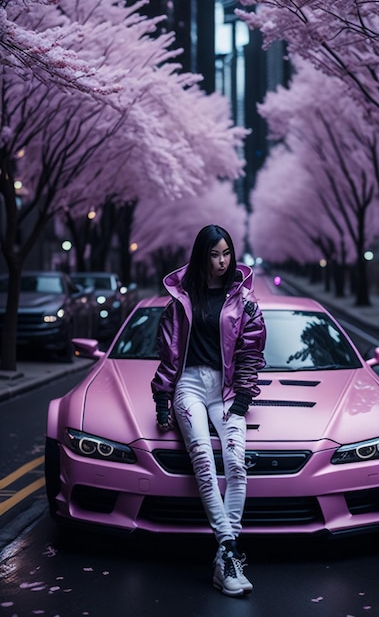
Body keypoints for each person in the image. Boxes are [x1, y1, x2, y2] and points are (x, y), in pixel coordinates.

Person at [151, 224, 266, 597]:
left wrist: (244, 398)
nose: (221, 262)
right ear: (201, 256)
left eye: (226, 253)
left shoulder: (244, 302)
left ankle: (224, 553)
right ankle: (230, 551)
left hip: (228, 389)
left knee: (235, 462)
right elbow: (169, 356)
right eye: (214, 254)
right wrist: (162, 399)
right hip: (190, 386)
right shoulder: (180, 301)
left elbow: (251, 353)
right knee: (202, 456)